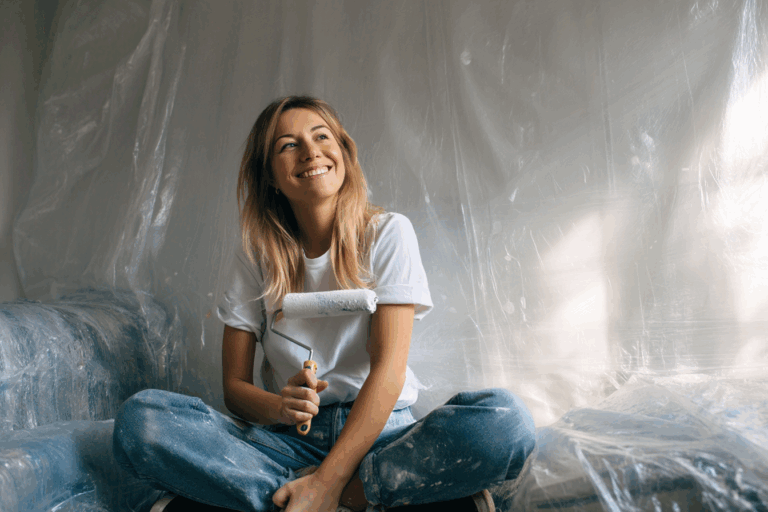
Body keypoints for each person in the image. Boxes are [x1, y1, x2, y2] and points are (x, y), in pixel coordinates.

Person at [113, 96, 536, 512]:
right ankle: (338, 495)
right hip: (286, 443)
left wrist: (331, 480)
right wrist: (279, 405)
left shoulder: (387, 233)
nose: (310, 151)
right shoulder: (257, 255)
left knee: (505, 424)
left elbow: (388, 371)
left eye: (321, 136)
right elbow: (235, 390)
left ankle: (331, 496)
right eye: (288, 144)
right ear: (270, 178)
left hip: (381, 439)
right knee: (142, 421)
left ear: (343, 154)